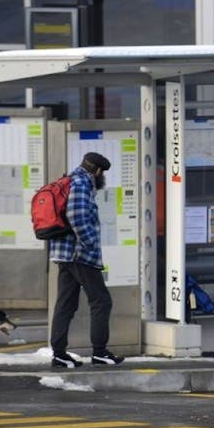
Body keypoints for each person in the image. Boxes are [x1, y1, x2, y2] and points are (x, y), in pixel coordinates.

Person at [49, 152, 124, 368]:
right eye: (103, 174)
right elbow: (77, 215)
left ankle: (59, 354)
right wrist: (89, 242)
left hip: (65, 253)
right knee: (101, 301)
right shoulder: (82, 183)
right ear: (98, 171)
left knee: (66, 303)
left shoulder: (70, 179)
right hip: (79, 254)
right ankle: (99, 352)